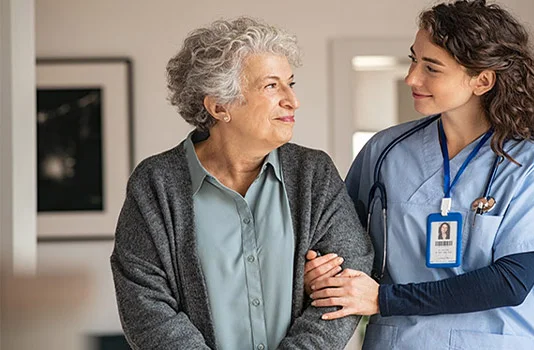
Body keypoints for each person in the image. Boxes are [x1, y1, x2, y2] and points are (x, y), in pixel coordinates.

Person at [302, 1, 534, 349]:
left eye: (431, 67)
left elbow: (510, 281)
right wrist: (323, 273)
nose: (411, 77)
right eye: (413, 59)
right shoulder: (384, 151)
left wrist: (385, 300)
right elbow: (340, 244)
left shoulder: (533, 164)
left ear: (482, 80)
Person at [110, 17, 373, 350]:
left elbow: (347, 282)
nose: (292, 100)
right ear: (220, 106)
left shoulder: (313, 174)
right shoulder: (156, 184)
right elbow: (145, 305)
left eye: (290, 83)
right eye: (271, 86)